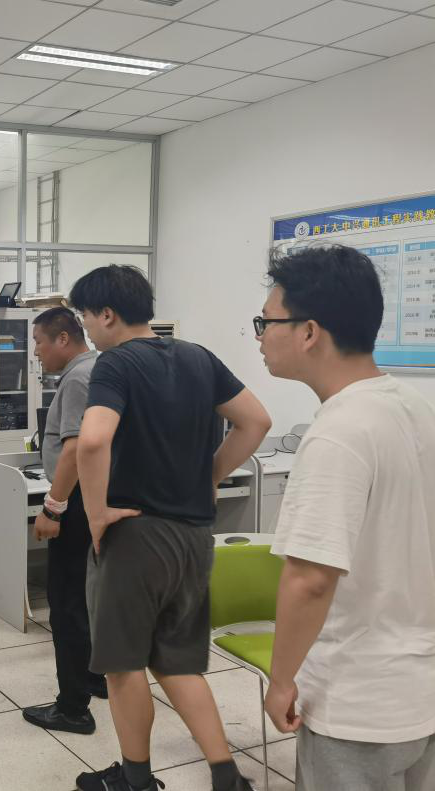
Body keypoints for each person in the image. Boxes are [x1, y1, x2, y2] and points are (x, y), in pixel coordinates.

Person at [70, 265, 271, 791]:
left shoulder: (115, 364)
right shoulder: (198, 356)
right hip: (193, 536)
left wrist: (96, 513)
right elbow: (256, 421)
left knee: (123, 665)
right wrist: (211, 475)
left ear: (107, 314)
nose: (86, 328)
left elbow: (93, 440)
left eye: (85, 317)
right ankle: (226, 776)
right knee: (178, 663)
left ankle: (135, 781)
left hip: (136, 535)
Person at [258, 245, 435, 791]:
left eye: (266, 322)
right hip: (420, 688)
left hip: (357, 704)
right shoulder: (415, 407)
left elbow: (310, 579)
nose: (260, 337)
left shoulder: (338, 432)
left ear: (309, 332)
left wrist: (281, 680)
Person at [22, 307, 108, 736]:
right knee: (89, 599)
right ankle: (94, 677)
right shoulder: (98, 369)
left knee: (68, 604)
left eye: (39, 341)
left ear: (62, 338)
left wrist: (53, 507)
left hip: (74, 506)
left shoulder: (77, 378)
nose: (36, 352)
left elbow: (74, 449)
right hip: (95, 500)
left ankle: (73, 708)